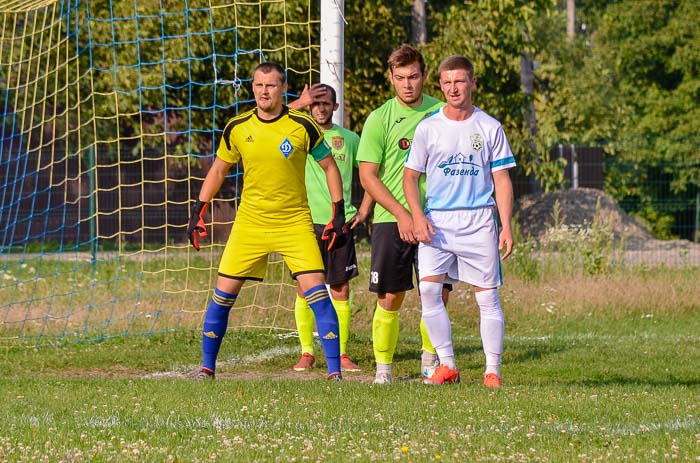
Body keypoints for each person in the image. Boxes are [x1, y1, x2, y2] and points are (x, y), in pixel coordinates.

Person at [186, 62, 348, 381]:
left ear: (283, 88)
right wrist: (197, 211)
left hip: (294, 223)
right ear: (252, 88)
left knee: (318, 294)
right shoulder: (237, 126)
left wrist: (338, 212)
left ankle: (335, 373)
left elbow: (330, 167)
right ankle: (206, 367)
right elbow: (218, 170)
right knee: (222, 296)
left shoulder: (303, 125)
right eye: (259, 85)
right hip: (250, 224)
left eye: (271, 85)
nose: (264, 91)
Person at [403, 55, 515, 388]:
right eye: (448, 82)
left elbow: (502, 179)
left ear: (472, 83)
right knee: (428, 290)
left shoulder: (489, 126)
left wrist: (506, 224)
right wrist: (417, 216)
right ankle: (447, 364)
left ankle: (492, 370)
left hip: (479, 219)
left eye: (460, 81)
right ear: (440, 85)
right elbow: (410, 178)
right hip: (437, 222)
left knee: (487, 297)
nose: (454, 88)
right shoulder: (428, 127)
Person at [357, 44, 450, 384]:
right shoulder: (380, 118)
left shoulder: (444, 113)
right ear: (391, 79)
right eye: (400, 78)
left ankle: (430, 360)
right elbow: (368, 175)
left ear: (425, 76)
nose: (408, 85)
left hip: (436, 219)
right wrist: (401, 213)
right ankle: (383, 370)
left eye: (413, 77)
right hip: (390, 219)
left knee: (436, 292)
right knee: (391, 296)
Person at [287, 84, 373, 373]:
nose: (321, 108)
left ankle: (342, 352)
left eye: (326, 103)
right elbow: (271, 123)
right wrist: (299, 103)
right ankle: (307, 352)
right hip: (305, 223)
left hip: (341, 223)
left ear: (336, 107)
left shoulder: (350, 139)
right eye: (316, 103)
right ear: (310, 107)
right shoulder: (298, 133)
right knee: (304, 288)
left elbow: (372, 172)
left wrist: (364, 209)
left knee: (340, 288)